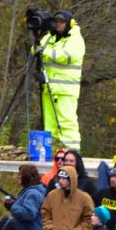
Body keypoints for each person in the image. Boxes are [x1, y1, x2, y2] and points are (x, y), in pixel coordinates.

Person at [36, 10, 85, 149]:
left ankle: (72, 154)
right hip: (49, 89)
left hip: (65, 90)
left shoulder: (75, 39)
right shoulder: (49, 37)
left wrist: (44, 52)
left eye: (62, 22)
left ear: (70, 23)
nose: (58, 24)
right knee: (50, 125)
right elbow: (35, 50)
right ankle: (53, 153)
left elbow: (66, 56)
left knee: (67, 123)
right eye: (56, 21)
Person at [43, 166, 95, 230]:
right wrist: (50, 228)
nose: (60, 181)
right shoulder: (52, 195)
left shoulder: (85, 198)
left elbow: (89, 218)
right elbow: (45, 213)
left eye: (64, 178)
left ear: (71, 179)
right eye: (59, 178)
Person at [9, 163, 49, 230]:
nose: (18, 176)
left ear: (26, 177)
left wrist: (12, 206)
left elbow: (29, 214)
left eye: (20, 174)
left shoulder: (33, 193)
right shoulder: (32, 190)